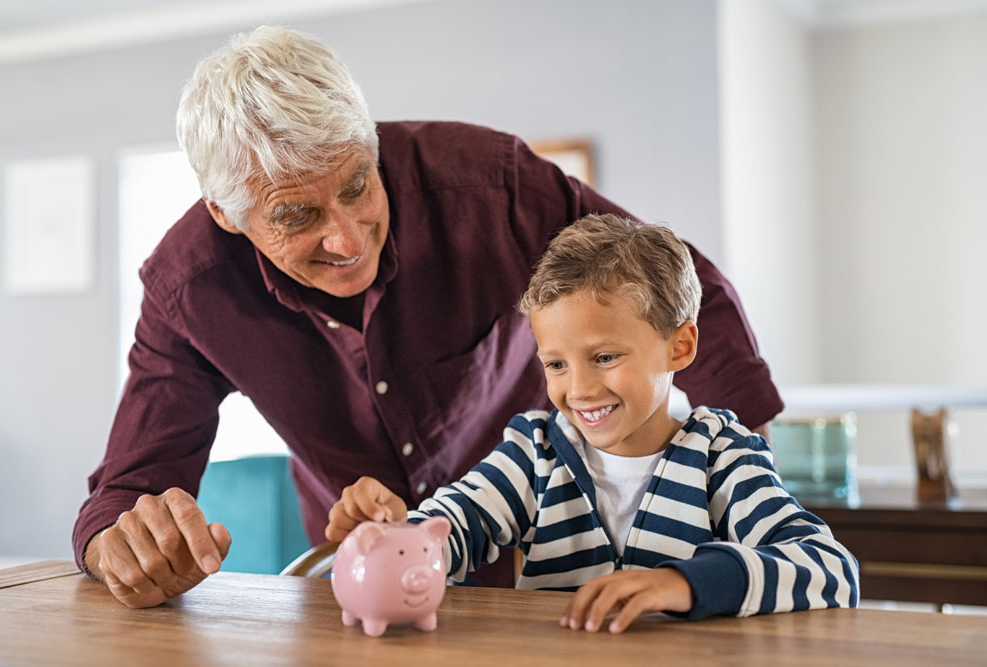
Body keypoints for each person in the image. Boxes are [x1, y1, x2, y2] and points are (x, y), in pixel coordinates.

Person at [73, 26, 784, 608]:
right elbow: (125, 492)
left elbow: (683, 286)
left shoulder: (489, 187)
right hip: (365, 573)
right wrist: (123, 545)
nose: (348, 237)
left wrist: (736, 475)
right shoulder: (188, 287)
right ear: (225, 214)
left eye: (358, 185)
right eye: (298, 215)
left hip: (547, 559)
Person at [327, 214, 858, 633]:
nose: (577, 390)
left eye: (605, 357)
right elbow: (455, 524)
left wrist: (686, 584)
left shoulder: (724, 456)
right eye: (556, 364)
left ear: (680, 345)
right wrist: (394, 538)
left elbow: (831, 568)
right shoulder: (534, 453)